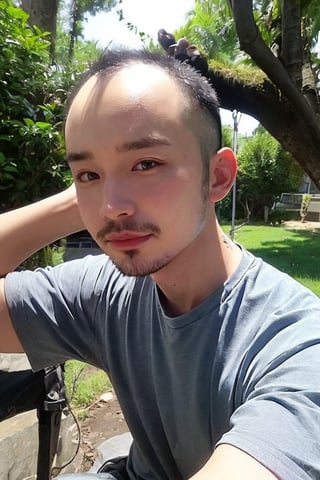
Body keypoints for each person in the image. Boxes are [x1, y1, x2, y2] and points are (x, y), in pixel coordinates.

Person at [0, 49, 319, 480]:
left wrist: (101, 180)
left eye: (146, 163)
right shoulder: (107, 290)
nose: (112, 207)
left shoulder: (295, 344)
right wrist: (86, 197)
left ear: (219, 177)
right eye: (86, 174)